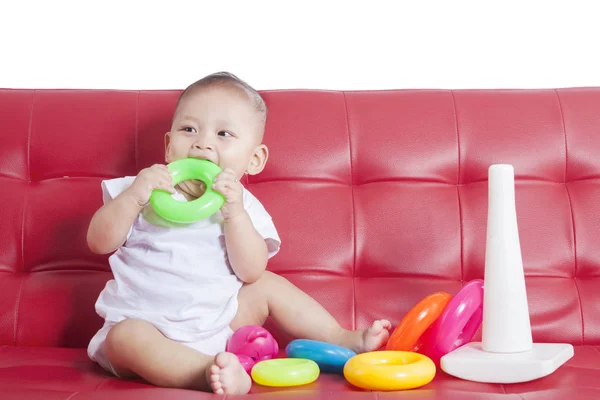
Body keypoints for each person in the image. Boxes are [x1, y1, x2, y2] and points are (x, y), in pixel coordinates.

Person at [86, 72, 391, 395]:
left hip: (218, 327)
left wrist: (234, 215)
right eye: (189, 129)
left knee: (266, 285)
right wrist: (134, 197)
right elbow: (98, 242)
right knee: (125, 337)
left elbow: (251, 270)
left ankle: (345, 338)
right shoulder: (141, 190)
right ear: (168, 145)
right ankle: (205, 373)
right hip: (146, 331)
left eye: (223, 134)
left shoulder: (242, 207)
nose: (203, 143)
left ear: (254, 159)